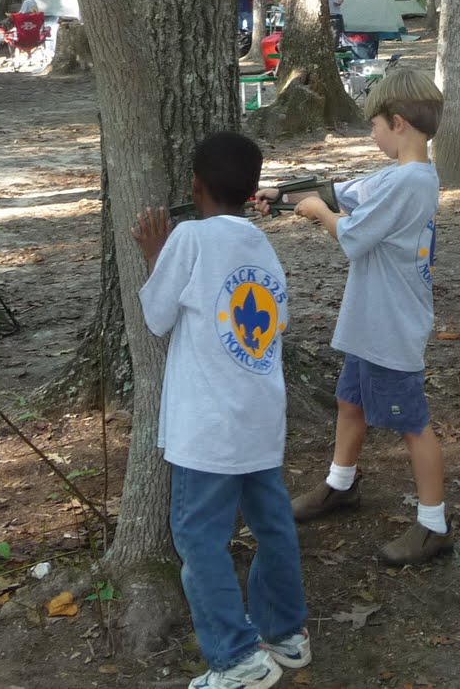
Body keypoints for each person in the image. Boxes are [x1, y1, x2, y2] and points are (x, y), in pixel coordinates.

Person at [132, 132, 310, 689]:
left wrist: (154, 258)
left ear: (196, 186)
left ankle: (236, 660)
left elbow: (157, 318)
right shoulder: (261, 244)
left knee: (199, 540)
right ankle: (284, 633)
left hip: (207, 428)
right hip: (259, 419)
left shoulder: (187, 237)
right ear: (253, 190)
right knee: (273, 525)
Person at [262, 69, 450, 566]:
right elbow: (345, 192)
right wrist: (281, 196)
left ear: (399, 122)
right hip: (372, 320)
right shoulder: (398, 176)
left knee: (413, 424)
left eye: (374, 126)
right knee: (350, 403)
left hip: (393, 324)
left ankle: (434, 525)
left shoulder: (411, 182)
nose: (371, 134)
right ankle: (339, 486)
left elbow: (351, 236)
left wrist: (315, 213)